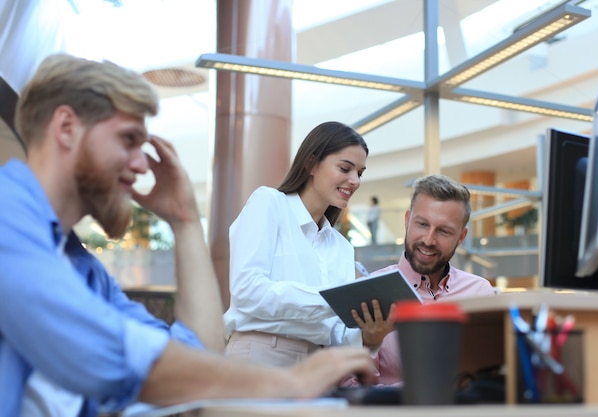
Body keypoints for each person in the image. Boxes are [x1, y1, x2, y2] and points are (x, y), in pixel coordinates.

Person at [0, 54, 378, 417]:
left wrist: (184, 220)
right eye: (128, 140)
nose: (140, 164)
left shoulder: (83, 270)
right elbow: (116, 356)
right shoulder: (7, 218)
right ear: (66, 127)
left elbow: (197, 350)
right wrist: (286, 383)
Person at [224, 121, 394, 367]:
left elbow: (333, 331)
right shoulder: (269, 203)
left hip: (318, 364)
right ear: (311, 163)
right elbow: (248, 292)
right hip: (260, 356)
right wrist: (336, 301)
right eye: (345, 168)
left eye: (360, 173)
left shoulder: (342, 246)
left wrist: (369, 335)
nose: (355, 180)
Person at [344, 174, 496, 386]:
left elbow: (493, 377)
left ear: (461, 237)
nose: (428, 240)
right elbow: (350, 386)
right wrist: (369, 343)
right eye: (422, 224)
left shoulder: (480, 293)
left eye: (444, 231)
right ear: (407, 221)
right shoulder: (371, 292)